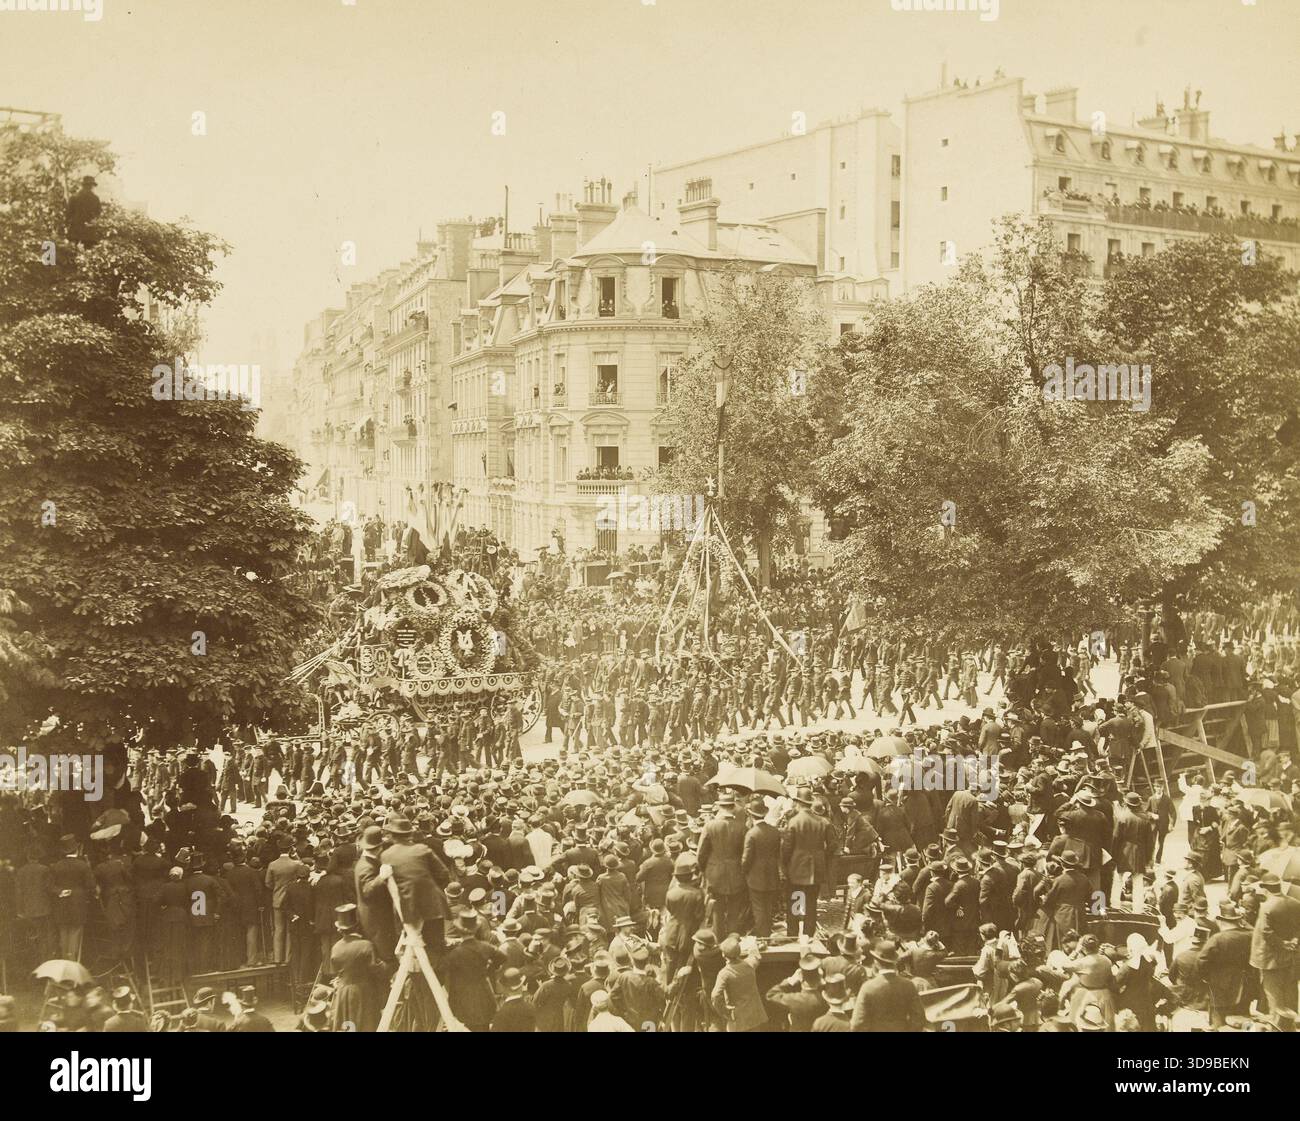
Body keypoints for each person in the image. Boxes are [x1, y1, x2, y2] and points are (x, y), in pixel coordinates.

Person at [850, 940, 927, 1032]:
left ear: (876, 962)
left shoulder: (868, 987)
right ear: (894, 962)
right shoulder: (908, 985)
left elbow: (857, 1023)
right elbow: (919, 1017)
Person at [710, 935, 767, 1032]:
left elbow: (715, 996)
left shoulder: (724, 973)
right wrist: (754, 944)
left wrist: (724, 1010)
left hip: (738, 1018)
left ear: (723, 955)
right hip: (755, 1015)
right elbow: (756, 956)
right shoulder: (750, 964)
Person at [66, 175, 102, 246]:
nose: (90, 187)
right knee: (88, 252)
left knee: (74, 251)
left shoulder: (74, 197)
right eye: (89, 185)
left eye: (90, 185)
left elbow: (68, 214)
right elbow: (98, 214)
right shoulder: (95, 198)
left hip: (77, 230)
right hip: (88, 231)